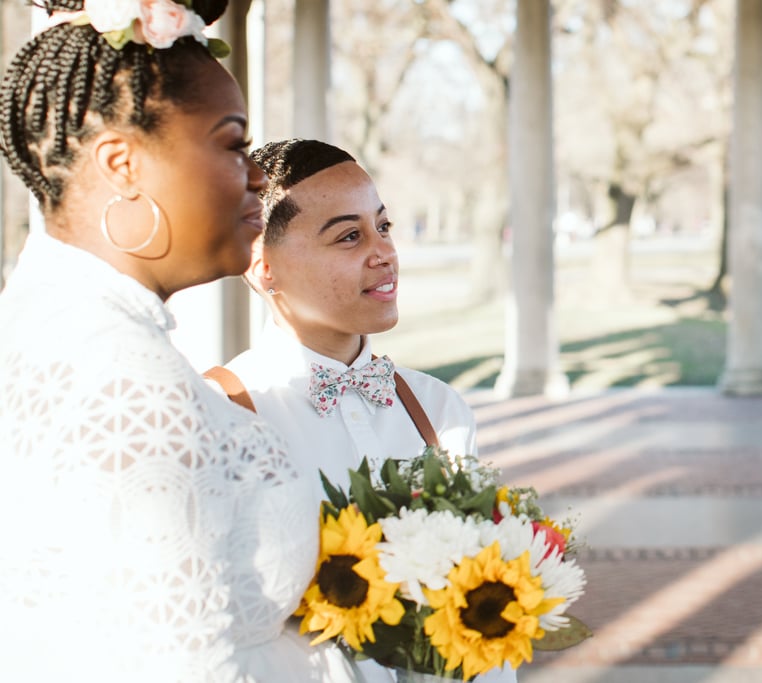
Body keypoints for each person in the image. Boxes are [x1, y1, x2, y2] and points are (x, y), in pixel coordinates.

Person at [0, 3, 361, 681]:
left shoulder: (48, 320)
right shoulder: (123, 383)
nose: (259, 176)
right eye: (232, 143)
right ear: (122, 163)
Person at [208, 138, 515, 682]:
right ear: (263, 265)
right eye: (349, 236)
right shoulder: (221, 412)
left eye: (384, 227)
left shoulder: (439, 410)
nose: (384, 252)